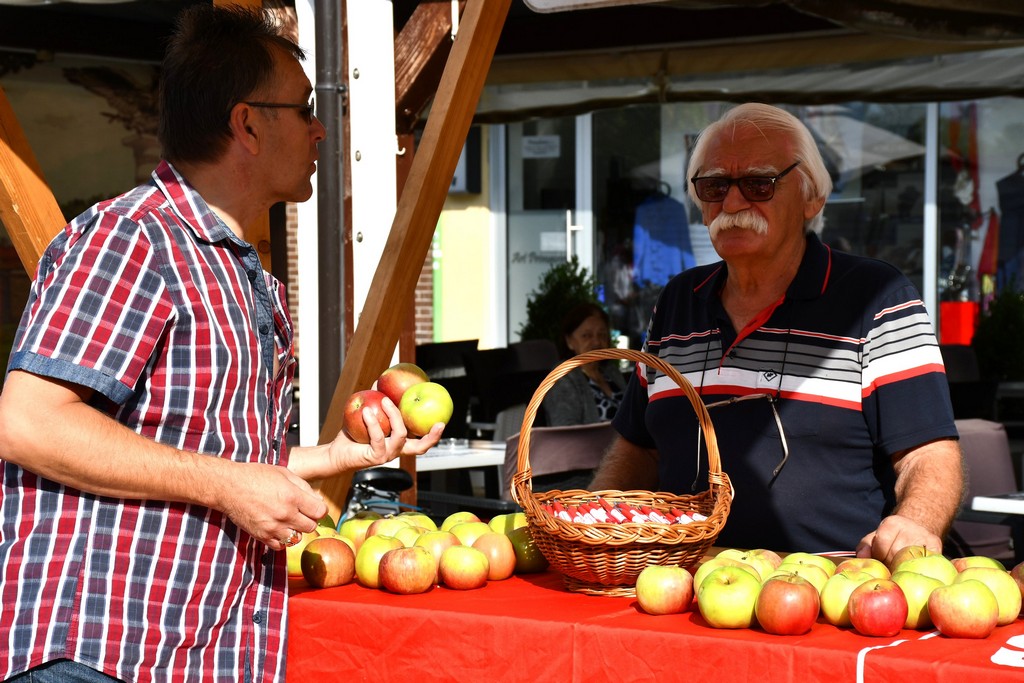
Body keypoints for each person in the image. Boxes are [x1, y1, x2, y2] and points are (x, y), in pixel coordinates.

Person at [0, 6, 443, 682]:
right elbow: (26, 421)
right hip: (98, 655)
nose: (321, 128)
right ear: (247, 125)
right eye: (304, 109)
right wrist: (233, 482)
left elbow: (198, 449)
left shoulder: (240, 271)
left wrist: (330, 455)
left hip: (193, 652)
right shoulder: (132, 240)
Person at [590, 103, 963, 565]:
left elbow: (927, 455)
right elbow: (639, 447)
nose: (731, 203)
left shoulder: (878, 298)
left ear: (812, 198)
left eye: (758, 183)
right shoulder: (677, 301)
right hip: (675, 581)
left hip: (829, 590)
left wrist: (917, 522)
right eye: (713, 186)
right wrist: (592, 517)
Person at [543, 302, 626, 426]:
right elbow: (565, 433)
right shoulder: (562, 377)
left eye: (602, 334)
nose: (597, 341)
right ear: (569, 341)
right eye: (586, 336)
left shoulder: (611, 371)